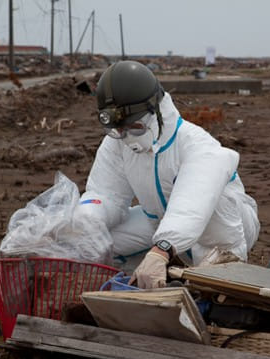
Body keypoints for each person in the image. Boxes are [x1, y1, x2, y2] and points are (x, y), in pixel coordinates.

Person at [76, 60, 260, 289]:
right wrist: (84, 223)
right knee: (99, 240)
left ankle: (222, 272)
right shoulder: (118, 143)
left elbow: (192, 205)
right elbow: (106, 194)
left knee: (214, 207)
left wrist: (161, 250)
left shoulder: (198, 146)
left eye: (135, 127)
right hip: (160, 221)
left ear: (156, 111)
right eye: (119, 130)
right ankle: (147, 275)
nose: (127, 136)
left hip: (222, 228)